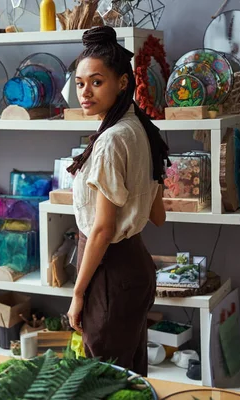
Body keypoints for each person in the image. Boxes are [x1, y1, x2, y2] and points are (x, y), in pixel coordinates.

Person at [66, 26, 170, 376]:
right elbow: (158, 216)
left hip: (109, 272)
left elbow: (102, 230)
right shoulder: (140, 128)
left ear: (123, 82)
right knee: (130, 374)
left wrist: (78, 293)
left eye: (97, 82)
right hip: (134, 268)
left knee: (104, 379)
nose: (85, 92)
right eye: (80, 83)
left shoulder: (112, 139)